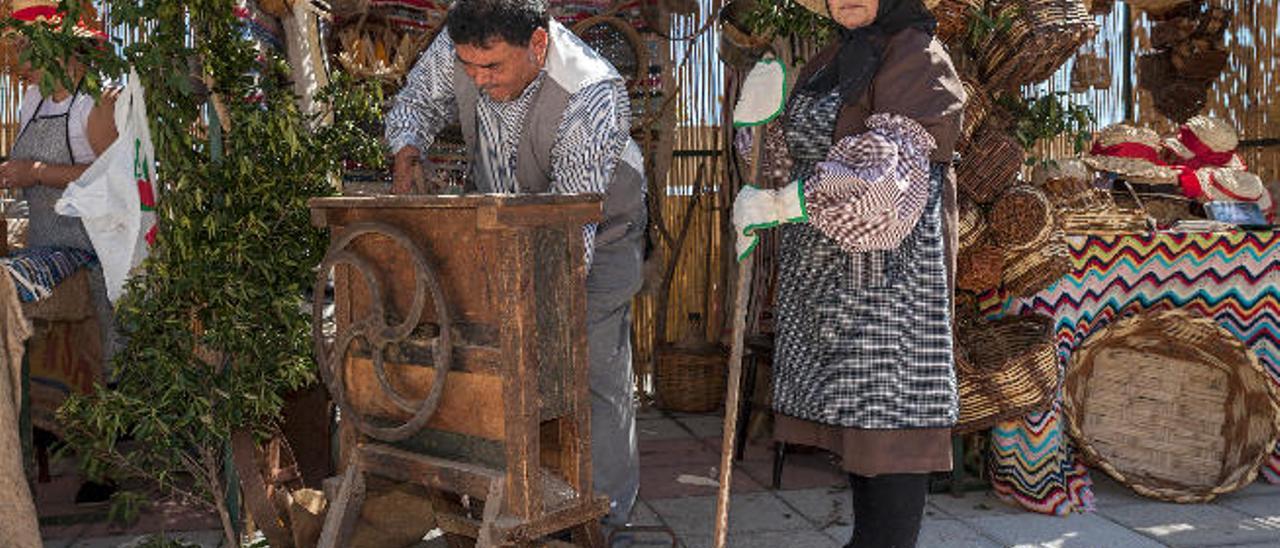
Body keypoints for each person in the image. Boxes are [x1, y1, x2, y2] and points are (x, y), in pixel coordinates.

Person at [384, 0, 647, 539]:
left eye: (494, 69)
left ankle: (601, 516)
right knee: (496, 364)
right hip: (501, 222)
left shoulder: (592, 92)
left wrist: (520, 307)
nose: (479, 80)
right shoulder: (463, 45)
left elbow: (570, 238)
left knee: (586, 366)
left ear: (538, 44)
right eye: (469, 67)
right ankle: (518, 498)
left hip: (596, 228)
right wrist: (408, 150)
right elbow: (415, 103)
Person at [733, 0, 965, 546]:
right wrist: (757, 132)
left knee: (891, 435)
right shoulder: (830, 60)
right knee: (860, 442)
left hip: (891, 287)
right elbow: (789, 160)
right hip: (830, 281)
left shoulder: (920, 58)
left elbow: (889, 178)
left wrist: (787, 203)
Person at [0, 2, 120, 366]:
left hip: (91, 249)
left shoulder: (96, 100)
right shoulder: (33, 100)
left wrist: (37, 172)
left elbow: (114, 179)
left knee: (110, 363)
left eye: (24, 47)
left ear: (58, 43)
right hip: (44, 240)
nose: (16, 60)